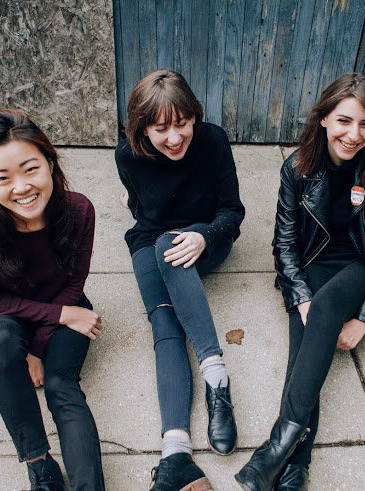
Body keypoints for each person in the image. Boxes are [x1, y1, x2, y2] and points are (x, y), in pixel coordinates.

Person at [235, 72, 365, 491]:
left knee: (326, 308)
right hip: (311, 264)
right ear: (325, 118)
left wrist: (364, 319)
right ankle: (296, 465)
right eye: (344, 120)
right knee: (305, 343)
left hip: (358, 265)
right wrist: (299, 296)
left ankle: (275, 448)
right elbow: (284, 244)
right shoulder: (297, 167)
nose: (354, 134)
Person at [0, 110, 105, 490]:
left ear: (50, 162)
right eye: (3, 178)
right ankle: (39, 464)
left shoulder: (79, 210)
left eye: (30, 169)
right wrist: (59, 319)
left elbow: (75, 280)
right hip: (10, 314)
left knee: (60, 384)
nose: (21, 187)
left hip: (67, 301)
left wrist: (38, 348)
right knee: (1, 343)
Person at [115, 70, 245, 491]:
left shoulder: (214, 141)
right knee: (163, 321)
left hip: (206, 238)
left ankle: (216, 376)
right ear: (141, 129)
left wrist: (204, 236)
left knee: (167, 246)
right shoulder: (127, 156)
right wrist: (133, 202)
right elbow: (145, 211)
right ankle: (175, 450)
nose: (174, 138)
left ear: (195, 117)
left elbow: (233, 212)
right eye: (160, 129)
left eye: (182, 123)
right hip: (152, 240)